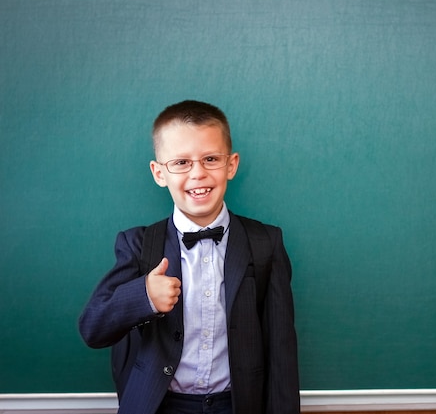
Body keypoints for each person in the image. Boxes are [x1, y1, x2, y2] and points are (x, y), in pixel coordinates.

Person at [79, 100, 300, 414]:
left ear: (231, 165)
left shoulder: (266, 242)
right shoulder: (137, 244)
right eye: (181, 162)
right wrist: (143, 296)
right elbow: (93, 329)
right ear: (159, 173)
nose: (198, 173)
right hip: (160, 404)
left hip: (237, 404)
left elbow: (282, 350)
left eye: (211, 159)